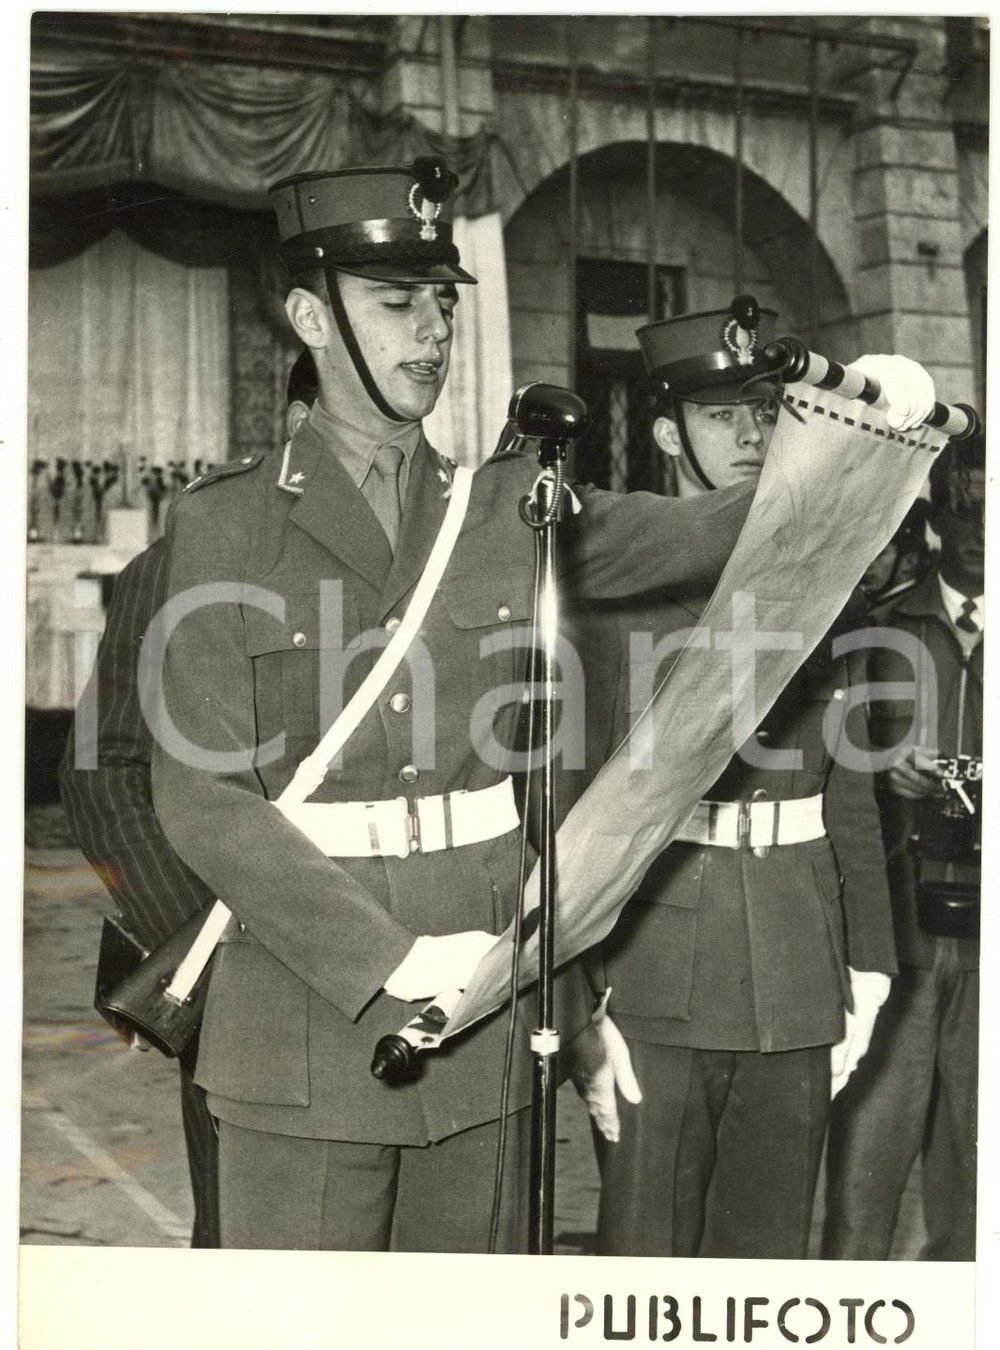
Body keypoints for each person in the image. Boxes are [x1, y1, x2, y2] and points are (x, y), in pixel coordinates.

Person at [146, 159, 771, 1254]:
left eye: (442, 303)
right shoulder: (225, 527)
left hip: (488, 999)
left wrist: (859, 436)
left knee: (469, 1339)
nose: (431, 332)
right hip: (307, 1005)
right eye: (397, 305)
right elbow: (203, 799)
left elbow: (702, 529)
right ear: (311, 315)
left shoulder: (505, 508)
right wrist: (383, 958)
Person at [570, 298, 906, 1258]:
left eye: (769, 413)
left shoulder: (822, 577)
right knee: (647, 1261)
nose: (755, 435)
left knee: (767, 1266)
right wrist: (577, 1000)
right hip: (650, 972)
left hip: (800, 966)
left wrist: (870, 965)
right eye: (725, 417)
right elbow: (569, 801)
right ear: (669, 432)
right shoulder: (611, 587)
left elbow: (850, 788)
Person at [58, 351, 320, 1249]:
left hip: (395, 958)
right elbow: (102, 769)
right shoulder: (181, 565)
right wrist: (201, 948)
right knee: (249, 1245)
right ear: (293, 423)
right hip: (242, 961)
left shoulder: (420, 575)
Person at [822, 444, 984, 1261]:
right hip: (903, 927)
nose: (980, 533)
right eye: (963, 510)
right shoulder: (879, 633)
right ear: (935, 515)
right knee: (867, 1165)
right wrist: (889, 774)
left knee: (979, 1174)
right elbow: (824, 774)